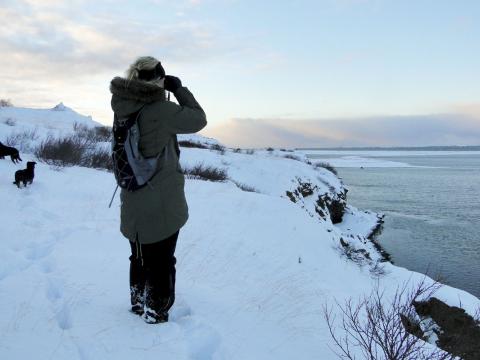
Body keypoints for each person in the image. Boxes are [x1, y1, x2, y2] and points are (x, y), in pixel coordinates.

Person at [110, 56, 207, 323]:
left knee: (139, 255)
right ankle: (156, 311)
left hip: (132, 197)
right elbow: (199, 119)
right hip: (162, 201)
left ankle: (138, 302)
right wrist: (178, 89)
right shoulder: (162, 111)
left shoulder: (122, 108)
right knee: (162, 260)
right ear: (158, 79)